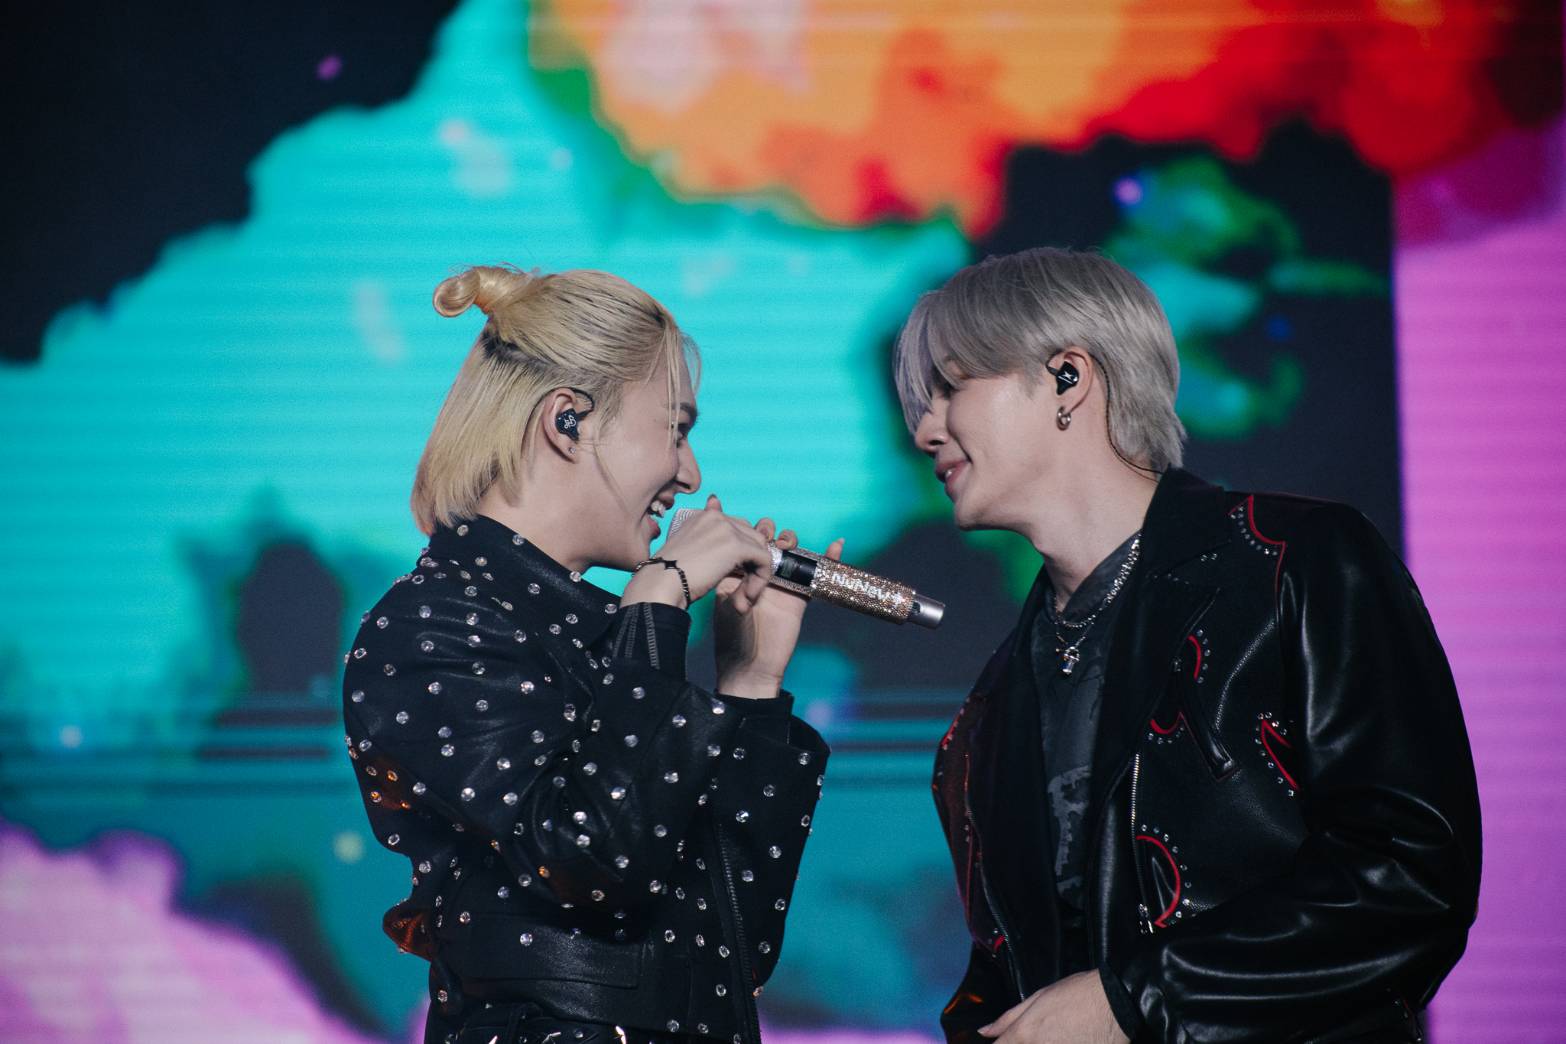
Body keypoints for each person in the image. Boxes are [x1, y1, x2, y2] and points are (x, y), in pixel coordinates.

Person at [895, 248, 1481, 1043]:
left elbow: (1412, 873)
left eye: (950, 387)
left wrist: (1135, 1000)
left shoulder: (1296, 561)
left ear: (1068, 378)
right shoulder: (988, 711)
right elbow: (1009, 974)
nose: (925, 429)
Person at [342, 265, 835, 1044]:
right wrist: (659, 602)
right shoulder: (427, 631)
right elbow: (591, 861)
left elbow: (732, 951)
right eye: (676, 431)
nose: (691, 475)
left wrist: (750, 683)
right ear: (566, 420)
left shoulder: (609, 643)